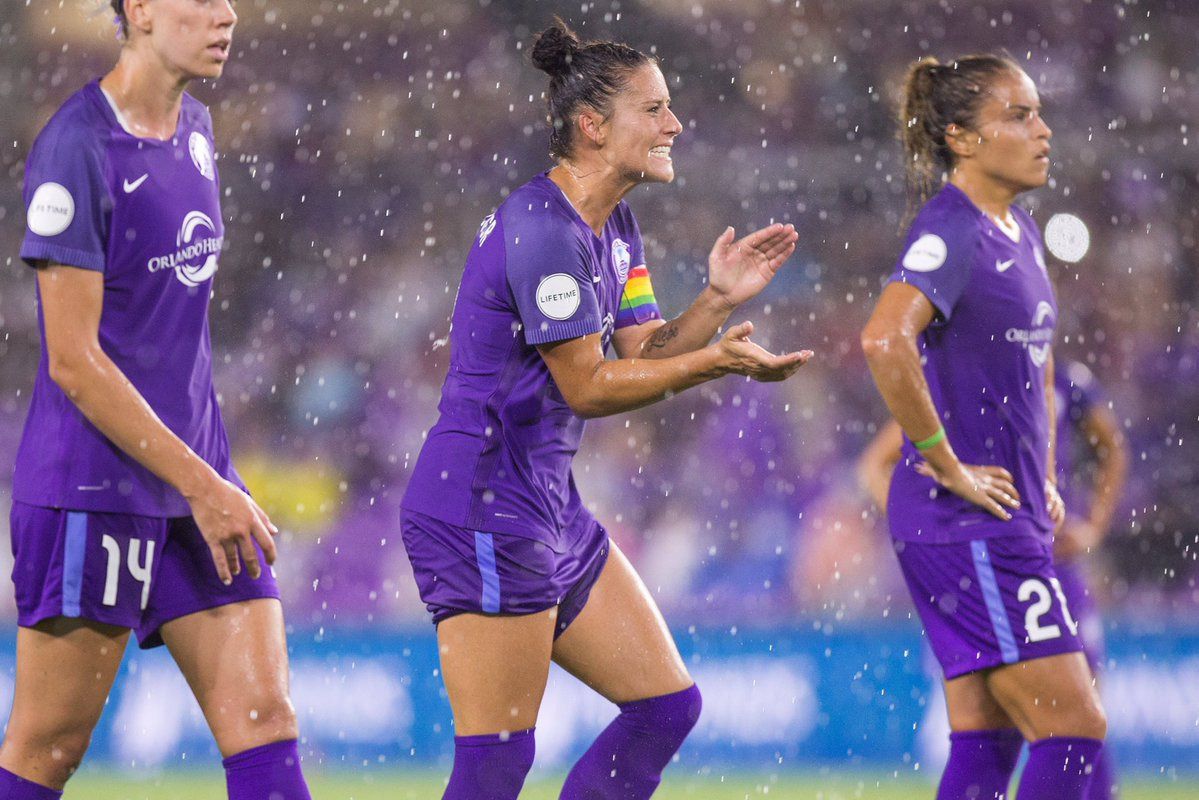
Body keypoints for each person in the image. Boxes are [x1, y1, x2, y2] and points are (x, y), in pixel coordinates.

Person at [400, 19, 810, 800]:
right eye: (653, 110)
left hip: (547, 506)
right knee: (496, 762)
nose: (674, 125)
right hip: (480, 507)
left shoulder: (612, 223)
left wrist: (715, 304)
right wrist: (713, 362)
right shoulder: (542, 230)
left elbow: (643, 355)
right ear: (592, 125)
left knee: (663, 708)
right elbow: (584, 386)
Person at [2, 2, 311, 798]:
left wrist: (206, 478)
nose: (227, 15)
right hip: (92, 491)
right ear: (138, 9)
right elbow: (74, 361)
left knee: (265, 722)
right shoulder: (75, 149)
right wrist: (203, 483)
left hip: (195, 489)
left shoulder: (197, 128)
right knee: (48, 750)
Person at [859, 54, 1107, 800]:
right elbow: (882, 339)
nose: (1043, 130)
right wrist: (943, 461)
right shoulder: (951, 230)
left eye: (1037, 112)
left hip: (1004, 512)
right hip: (966, 522)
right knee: (1074, 728)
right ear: (962, 138)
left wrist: (1050, 479)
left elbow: (1036, 366)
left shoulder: (1020, 230)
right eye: (1019, 115)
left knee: (986, 734)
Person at [858, 357, 1127, 798]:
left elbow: (1110, 446)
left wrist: (1094, 525)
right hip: (989, 563)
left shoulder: (1065, 383)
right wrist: (924, 522)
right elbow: (877, 463)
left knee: (1033, 723)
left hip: (1047, 561)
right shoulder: (962, 381)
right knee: (1063, 723)